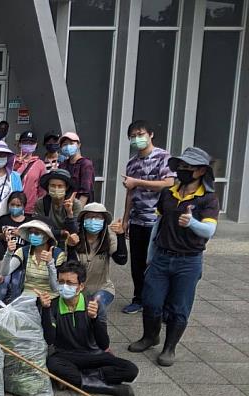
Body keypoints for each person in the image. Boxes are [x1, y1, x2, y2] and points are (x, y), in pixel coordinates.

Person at [128, 147, 219, 367]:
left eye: (188, 167)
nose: (182, 170)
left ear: (200, 171)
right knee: (151, 301)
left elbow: (209, 231)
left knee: (179, 307)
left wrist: (192, 223)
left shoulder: (208, 199)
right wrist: (150, 256)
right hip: (161, 255)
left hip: (188, 260)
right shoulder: (169, 193)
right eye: (181, 166)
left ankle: (170, 348)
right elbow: (157, 224)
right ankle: (150, 337)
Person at [39, 261, 138, 396]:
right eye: (61, 282)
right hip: (66, 356)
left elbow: (104, 344)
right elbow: (49, 339)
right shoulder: (53, 305)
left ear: (81, 286)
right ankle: (111, 388)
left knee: (131, 370)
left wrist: (94, 319)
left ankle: (75, 379)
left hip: (93, 355)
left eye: (70, 283)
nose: (64, 286)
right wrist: (46, 310)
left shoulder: (93, 304)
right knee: (53, 364)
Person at [120, 120, 175, 314]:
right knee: (137, 261)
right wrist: (125, 219)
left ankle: (158, 301)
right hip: (137, 219)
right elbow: (130, 193)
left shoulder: (163, 157)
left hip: (157, 219)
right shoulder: (132, 162)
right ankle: (139, 298)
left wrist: (137, 182)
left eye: (140, 134)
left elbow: (168, 183)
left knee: (155, 262)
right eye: (133, 136)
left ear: (150, 134)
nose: (137, 139)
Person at [69, 203, 128, 321]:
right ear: (83, 220)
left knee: (97, 307)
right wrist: (71, 247)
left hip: (103, 288)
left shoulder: (108, 238)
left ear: (104, 221)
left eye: (98, 217)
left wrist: (121, 236)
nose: (93, 220)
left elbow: (121, 260)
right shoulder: (75, 239)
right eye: (90, 217)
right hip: (78, 289)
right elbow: (71, 268)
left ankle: (100, 338)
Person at [0, 219, 66, 298]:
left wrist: (50, 263)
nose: (33, 235)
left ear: (47, 236)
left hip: (50, 298)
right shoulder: (23, 251)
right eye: (30, 232)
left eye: (37, 233)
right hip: (27, 298)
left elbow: (55, 288)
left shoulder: (58, 254)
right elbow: (4, 272)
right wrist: (9, 253)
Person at [34, 169, 82, 249]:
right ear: (48, 187)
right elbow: (40, 228)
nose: (56, 189)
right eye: (52, 185)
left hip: (69, 243)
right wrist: (60, 232)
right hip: (48, 242)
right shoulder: (41, 203)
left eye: (60, 186)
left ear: (66, 187)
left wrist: (69, 213)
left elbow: (75, 231)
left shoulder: (75, 204)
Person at [14, 130, 47, 214]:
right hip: (12, 206)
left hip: (31, 209)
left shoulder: (40, 164)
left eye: (31, 143)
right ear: (19, 144)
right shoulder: (11, 161)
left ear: (36, 145)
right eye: (25, 142)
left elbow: (42, 189)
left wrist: (37, 205)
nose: (28, 145)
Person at [58, 132, 95, 205]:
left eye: (71, 143)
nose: (68, 146)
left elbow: (85, 192)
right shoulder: (63, 165)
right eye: (65, 144)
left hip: (80, 207)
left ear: (79, 145)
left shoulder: (86, 164)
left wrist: (78, 212)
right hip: (64, 206)